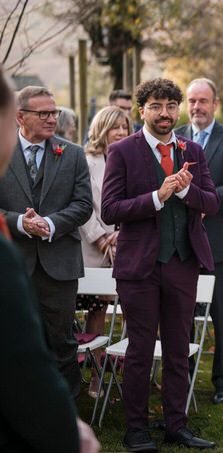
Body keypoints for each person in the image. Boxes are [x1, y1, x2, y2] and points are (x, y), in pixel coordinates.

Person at [101, 77, 219, 451]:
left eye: (170, 106)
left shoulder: (192, 150)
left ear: (177, 109)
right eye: (156, 106)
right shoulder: (122, 151)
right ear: (142, 111)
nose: (164, 113)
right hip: (139, 267)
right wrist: (156, 196)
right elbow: (109, 209)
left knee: (177, 348)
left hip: (182, 264)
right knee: (138, 350)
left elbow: (212, 203)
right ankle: (136, 429)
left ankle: (176, 425)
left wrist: (185, 191)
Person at [0, 66, 99, 453]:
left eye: (54, 113)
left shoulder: (72, 154)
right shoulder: (4, 153)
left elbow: (82, 204)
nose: (51, 119)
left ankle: (68, 418)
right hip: (16, 257)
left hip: (58, 264)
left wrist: (52, 224)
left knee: (62, 342)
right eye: (43, 113)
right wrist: (22, 225)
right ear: (19, 116)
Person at [175, 78, 223, 405]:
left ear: (215, 104)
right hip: (181, 242)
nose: (196, 107)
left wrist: (201, 202)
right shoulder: (175, 136)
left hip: (221, 239)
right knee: (182, 314)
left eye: (203, 101)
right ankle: (183, 377)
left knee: (222, 314)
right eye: (192, 101)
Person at [78, 105, 132, 398]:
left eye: (125, 127)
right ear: (102, 130)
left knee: (131, 310)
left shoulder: (132, 159)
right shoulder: (87, 162)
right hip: (95, 248)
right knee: (97, 311)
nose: (121, 132)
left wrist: (123, 235)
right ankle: (96, 377)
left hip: (128, 243)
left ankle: (128, 373)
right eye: (115, 127)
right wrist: (103, 239)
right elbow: (84, 207)